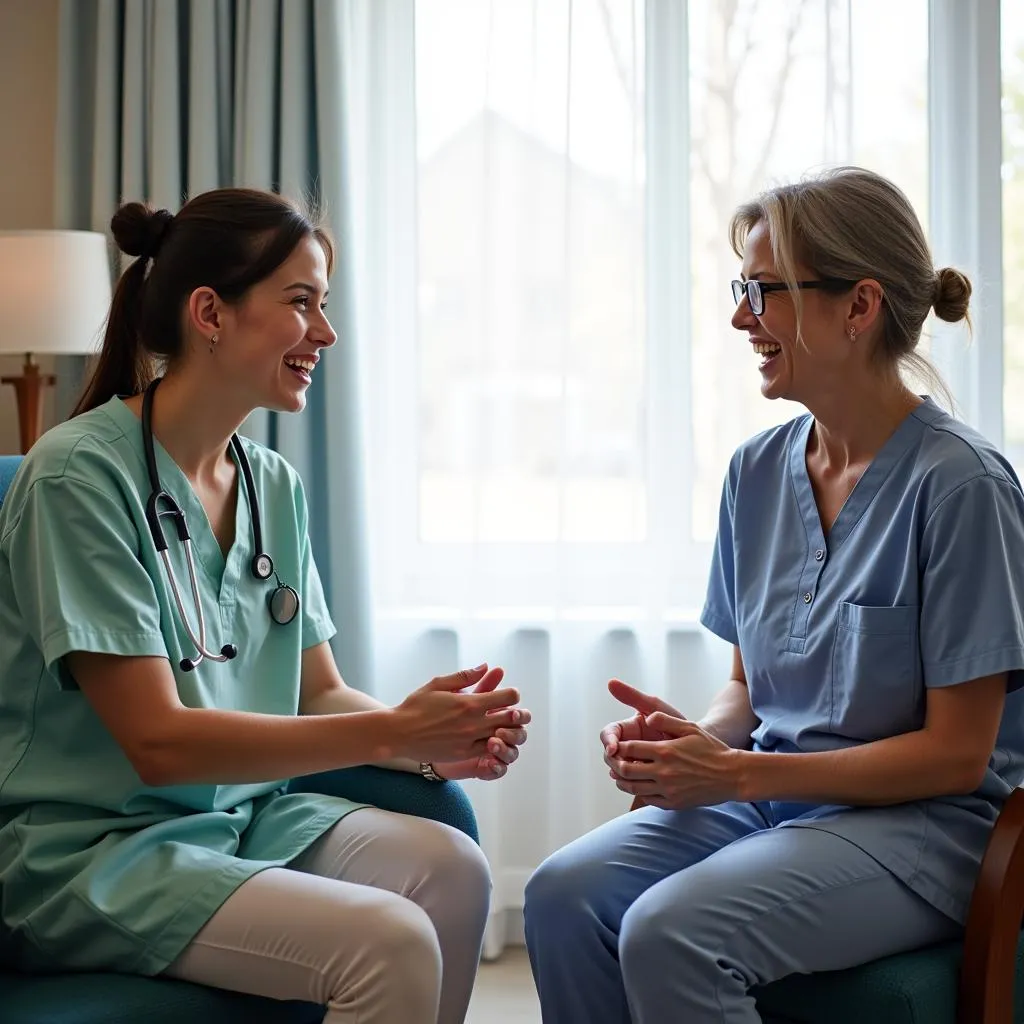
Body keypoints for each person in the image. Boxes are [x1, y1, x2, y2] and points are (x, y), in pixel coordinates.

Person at [0, 188, 530, 1024]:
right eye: (301, 304)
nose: (325, 333)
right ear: (210, 312)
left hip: (247, 821)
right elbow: (159, 741)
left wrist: (433, 747)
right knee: (389, 941)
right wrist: (393, 733)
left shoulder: (269, 483)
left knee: (452, 871)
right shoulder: (77, 479)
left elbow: (317, 692)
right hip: (93, 854)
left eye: (325, 307)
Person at [522, 165, 1024, 1022]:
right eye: (740, 288)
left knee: (669, 932)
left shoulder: (963, 488)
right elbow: (749, 692)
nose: (738, 316)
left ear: (858, 307)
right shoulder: (755, 474)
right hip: (773, 800)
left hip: (924, 830)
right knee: (560, 895)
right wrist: (689, 747)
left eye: (763, 291)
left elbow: (956, 757)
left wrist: (738, 773)